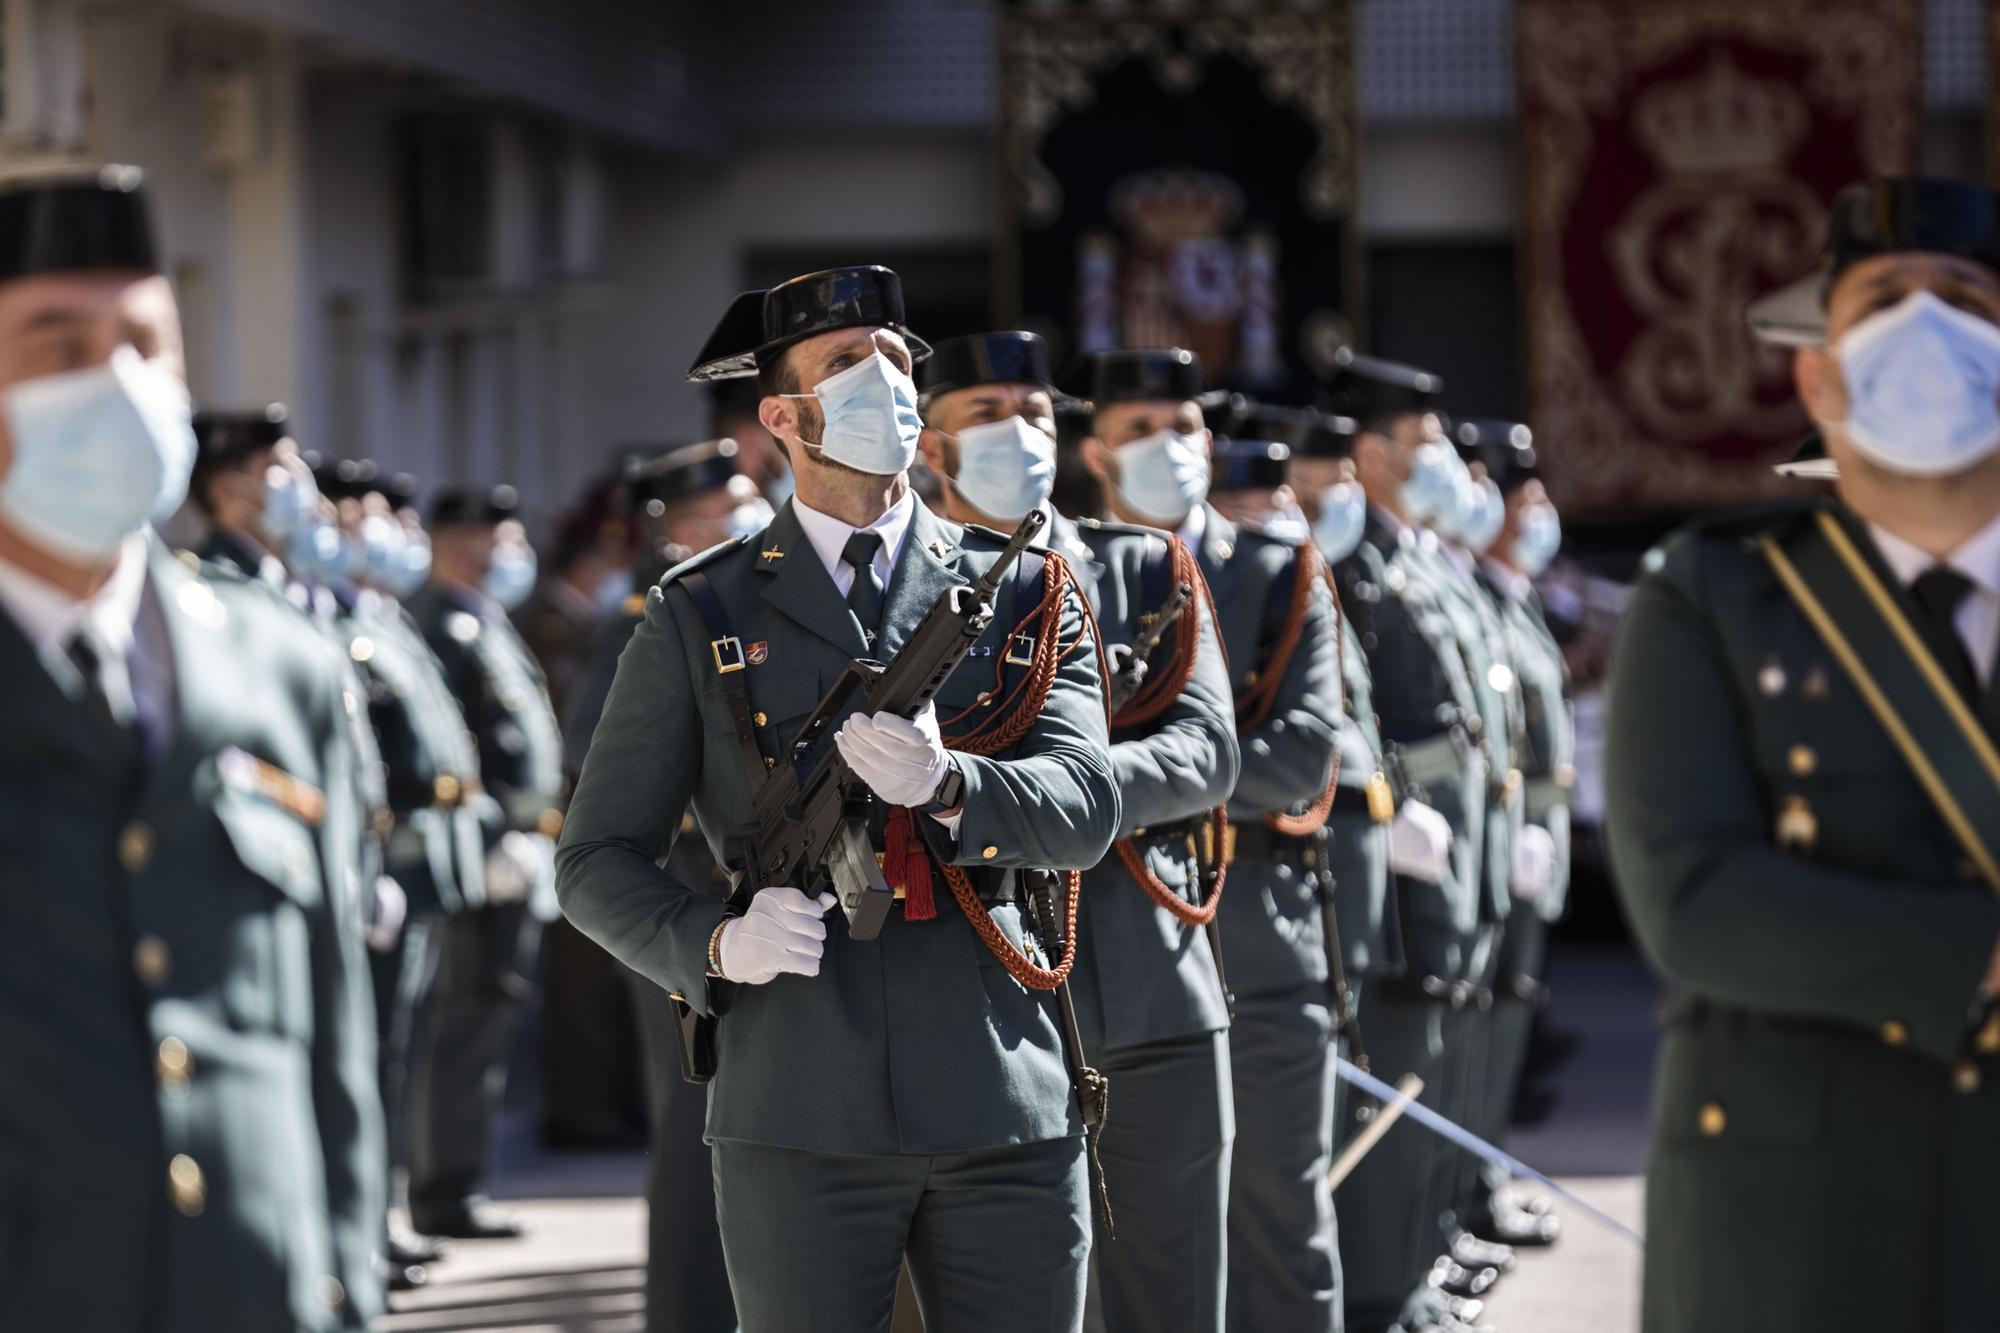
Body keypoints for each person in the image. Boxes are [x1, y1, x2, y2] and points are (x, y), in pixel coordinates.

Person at [557, 266, 1120, 1333]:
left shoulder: (1022, 588)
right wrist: (714, 944)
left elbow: (1087, 804)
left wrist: (958, 783)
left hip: (998, 1089)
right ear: (781, 416)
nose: (887, 386)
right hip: (797, 1102)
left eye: (896, 362)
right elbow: (593, 861)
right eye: (845, 366)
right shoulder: (701, 608)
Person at [1610, 175, 2000, 1333]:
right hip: (1795, 1209)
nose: (1922, 327)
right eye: (1879, 298)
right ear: (1815, 373)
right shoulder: (1710, 593)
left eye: (1965, 298)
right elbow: (1694, 901)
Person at [0, 162, 384, 1330]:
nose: (112, 381)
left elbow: (334, 1048)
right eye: (57, 345)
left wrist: (349, 1294)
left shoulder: (281, 666)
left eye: (144, 343)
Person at [917, 333, 1242, 1333]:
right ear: (929, 447)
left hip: (1149, 984)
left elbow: (1206, 753)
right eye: (986, 413)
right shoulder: (900, 587)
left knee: (1169, 1295)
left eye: (1036, 412)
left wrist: (1042, 795)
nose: (1019, 432)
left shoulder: (1144, 566)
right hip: (977, 999)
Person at [1075, 351, 1345, 1333]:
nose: (1167, 448)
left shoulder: (1276, 572)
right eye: (1139, 427)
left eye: (1182, 426)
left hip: (1258, 932)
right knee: (1126, 1227)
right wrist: (1188, 769)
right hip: (1114, 940)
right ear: (1094, 447)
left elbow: (1301, 757)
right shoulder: (1056, 572)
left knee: (1278, 1208)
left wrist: (1126, 782)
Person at [563, 436, 756, 1333]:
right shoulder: (655, 609)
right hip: (682, 886)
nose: (743, 520)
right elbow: (596, 751)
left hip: (743, 892)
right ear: (679, 525)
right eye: (722, 511)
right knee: (693, 1116)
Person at [1325, 352, 1494, 1333]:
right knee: (1396, 1062)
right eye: (1420, 442)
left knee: (1434, 1046)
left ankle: (1414, 1255)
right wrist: (1389, 800)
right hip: (1393, 844)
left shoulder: (1405, 553)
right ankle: (1381, 1287)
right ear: (1369, 450)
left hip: (1448, 838)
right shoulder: (1350, 559)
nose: (1436, 460)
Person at [404, 484, 566, 1240]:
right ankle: (443, 1188)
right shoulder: (441, 623)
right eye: (496, 542)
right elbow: (450, 750)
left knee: (488, 1016)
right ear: (460, 544)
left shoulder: (482, 619)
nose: (510, 557)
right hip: (481, 852)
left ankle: (458, 1179)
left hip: (516, 846)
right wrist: (497, 828)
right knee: (464, 1020)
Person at [1457, 419, 1572, 1248]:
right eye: (1521, 497)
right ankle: (1466, 1191)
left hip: (1527, 832)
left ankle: (1479, 1181)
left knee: (1506, 1021)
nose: (1537, 512)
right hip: (1492, 832)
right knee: (1478, 1027)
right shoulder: (1477, 591)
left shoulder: (1513, 595)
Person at [520, 475, 652, 1151]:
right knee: (579, 986)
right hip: (571, 818)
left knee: (602, 985)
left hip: (592, 816)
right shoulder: (551, 625)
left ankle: (606, 1103)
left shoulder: (585, 622)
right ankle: (582, 1110)